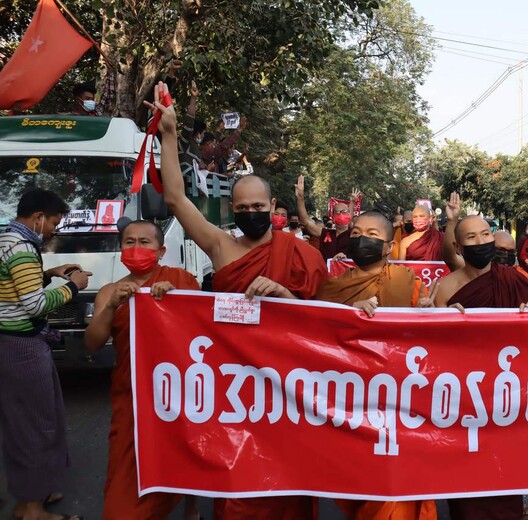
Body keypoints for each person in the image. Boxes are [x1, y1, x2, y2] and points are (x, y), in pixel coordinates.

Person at [148, 81, 327, 519]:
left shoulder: (300, 253)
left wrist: (286, 295)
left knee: (289, 479)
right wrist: (168, 134)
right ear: (234, 208)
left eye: (257, 206)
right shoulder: (220, 246)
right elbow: (174, 197)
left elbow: (327, 325)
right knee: (238, 482)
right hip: (234, 382)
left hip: (290, 384)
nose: (250, 213)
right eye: (242, 207)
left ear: (272, 206)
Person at [315, 211, 437, 520]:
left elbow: (429, 344)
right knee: (363, 484)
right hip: (352, 401)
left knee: (400, 486)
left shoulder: (406, 281)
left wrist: (431, 313)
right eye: (355, 233)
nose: (361, 240)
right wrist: (345, 313)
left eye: (371, 234)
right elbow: (314, 337)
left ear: (386, 247)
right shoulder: (333, 288)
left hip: (400, 403)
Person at [84, 220, 201, 520]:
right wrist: (110, 305)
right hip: (132, 395)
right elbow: (94, 343)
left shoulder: (180, 281)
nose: (136, 249)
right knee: (122, 492)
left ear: (161, 250)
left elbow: (203, 334)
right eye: (129, 242)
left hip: (176, 391)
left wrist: (176, 300)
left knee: (186, 454)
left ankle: (191, 505)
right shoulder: (110, 291)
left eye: (144, 243)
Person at [433, 213, 528, 520]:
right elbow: (433, 353)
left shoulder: (516, 281)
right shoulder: (445, 288)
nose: (481, 242)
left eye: (485, 235)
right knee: (466, 490)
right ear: (458, 245)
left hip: (506, 397)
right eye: (471, 237)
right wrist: (436, 318)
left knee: (504, 478)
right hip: (464, 400)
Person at [0, 189, 91, 520]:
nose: (54, 230)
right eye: (53, 222)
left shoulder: (7, 239)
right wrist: (73, 286)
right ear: (38, 218)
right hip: (22, 347)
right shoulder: (23, 248)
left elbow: (11, 285)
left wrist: (50, 274)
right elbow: (35, 304)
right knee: (35, 426)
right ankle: (31, 509)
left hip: (13, 343)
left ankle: (35, 491)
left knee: (35, 419)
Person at [295, 176, 355, 260]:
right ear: (333, 218)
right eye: (337, 213)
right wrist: (300, 198)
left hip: (347, 272)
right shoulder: (326, 233)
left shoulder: (354, 235)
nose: (341, 215)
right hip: (325, 272)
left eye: (344, 212)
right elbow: (305, 221)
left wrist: (352, 202)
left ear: (349, 215)